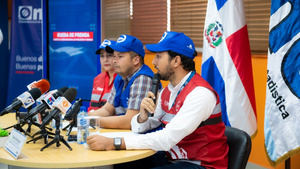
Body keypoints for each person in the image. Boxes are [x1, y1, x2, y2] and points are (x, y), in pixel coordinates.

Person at [87, 31, 229, 169]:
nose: (153, 62)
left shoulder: (199, 94)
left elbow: (167, 138)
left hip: (199, 164)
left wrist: (114, 142)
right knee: (122, 163)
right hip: (172, 157)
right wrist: (142, 117)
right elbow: (145, 125)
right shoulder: (167, 91)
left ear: (176, 61)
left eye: (159, 57)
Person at [89, 34, 153, 129]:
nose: (114, 61)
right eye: (114, 56)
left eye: (120, 56)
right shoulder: (120, 77)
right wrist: (82, 117)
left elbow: (130, 121)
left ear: (136, 60)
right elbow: (107, 110)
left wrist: (90, 121)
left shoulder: (143, 78)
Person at [88, 39, 117, 112]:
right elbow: (92, 107)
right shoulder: (98, 79)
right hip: (94, 121)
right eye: (102, 56)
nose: (105, 60)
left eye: (109, 55)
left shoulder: (123, 79)